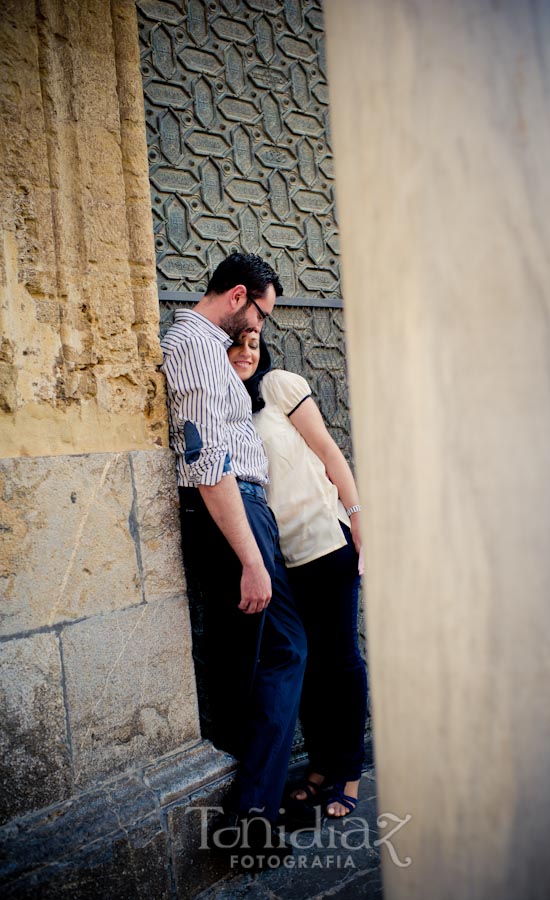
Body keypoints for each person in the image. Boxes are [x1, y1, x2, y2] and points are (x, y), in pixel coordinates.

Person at [160, 254, 307, 858]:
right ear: (238, 294)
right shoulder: (194, 343)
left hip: (244, 512)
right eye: (261, 313)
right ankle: (249, 819)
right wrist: (250, 557)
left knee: (255, 656)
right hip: (235, 513)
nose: (261, 328)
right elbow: (204, 458)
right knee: (285, 648)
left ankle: (254, 808)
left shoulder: (200, 344)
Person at [227, 330, 368, 819]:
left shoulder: (281, 386)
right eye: (235, 344)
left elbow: (330, 452)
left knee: (341, 661)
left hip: (326, 544)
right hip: (282, 563)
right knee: (304, 665)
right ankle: (319, 766)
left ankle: (348, 771)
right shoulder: (227, 410)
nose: (246, 352)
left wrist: (357, 519)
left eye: (253, 343)